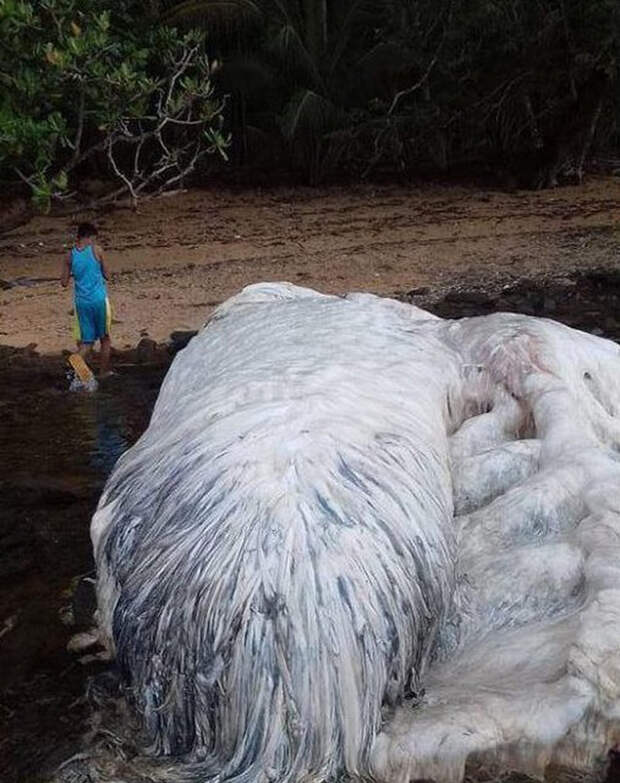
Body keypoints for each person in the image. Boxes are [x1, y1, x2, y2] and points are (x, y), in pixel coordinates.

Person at [61, 221, 113, 377]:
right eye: (93, 238)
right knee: (105, 339)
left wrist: (77, 271)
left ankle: (81, 371)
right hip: (98, 300)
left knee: (87, 342)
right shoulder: (97, 250)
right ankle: (103, 373)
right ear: (90, 237)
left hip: (81, 303)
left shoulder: (69, 255)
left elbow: (63, 282)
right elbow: (108, 275)